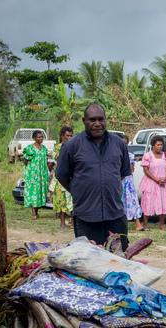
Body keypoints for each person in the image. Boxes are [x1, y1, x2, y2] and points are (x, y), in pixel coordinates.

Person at [55, 104, 132, 250]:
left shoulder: (119, 144)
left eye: (100, 119)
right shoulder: (71, 146)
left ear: (105, 120)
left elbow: (122, 173)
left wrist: (105, 187)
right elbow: (62, 176)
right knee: (90, 260)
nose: (97, 124)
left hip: (115, 213)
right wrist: (81, 191)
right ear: (84, 120)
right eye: (92, 120)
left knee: (119, 258)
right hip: (86, 215)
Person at [139, 135, 166, 231]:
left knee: (162, 203)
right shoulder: (148, 155)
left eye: (161, 145)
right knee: (148, 202)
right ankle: (145, 224)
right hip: (151, 183)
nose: (159, 147)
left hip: (163, 183)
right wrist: (155, 179)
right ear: (153, 145)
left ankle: (161, 224)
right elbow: (146, 170)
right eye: (157, 145)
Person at [22, 130, 51, 220]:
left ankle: (37, 213)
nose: (41, 138)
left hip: (42, 174)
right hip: (33, 175)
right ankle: (34, 213)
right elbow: (25, 160)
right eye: (39, 137)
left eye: (42, 137)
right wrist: (32, 170)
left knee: (40, 192)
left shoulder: (44, 148)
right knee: (34, 192)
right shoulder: (30, 148)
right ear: (34, 138)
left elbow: (46, 160)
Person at [50, 126, 74, 229]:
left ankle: (73, 222)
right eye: (67, 136)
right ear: (62, 136)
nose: (69, 137)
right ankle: (62, 223)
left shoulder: (74, 146)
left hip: (72, 176)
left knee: (73, 200)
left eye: (71, 136)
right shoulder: (58, 147)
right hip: (61, 177)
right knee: (61, 200)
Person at [120, 134, 144, 231]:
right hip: (118, 181)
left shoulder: (129, 155)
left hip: (128, 182)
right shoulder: (113, 154)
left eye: (125, 143)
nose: (123, 145)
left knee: (132, 201)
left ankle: (138, 224)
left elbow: (130, 168)